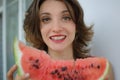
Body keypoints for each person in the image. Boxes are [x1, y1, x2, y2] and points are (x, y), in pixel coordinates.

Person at [7, 0, 114, 80]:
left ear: (76, 26)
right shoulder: (27, 76)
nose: (57, 28)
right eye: (46, 19)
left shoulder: (101, 70)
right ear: (38, 29)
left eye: (66, 17)